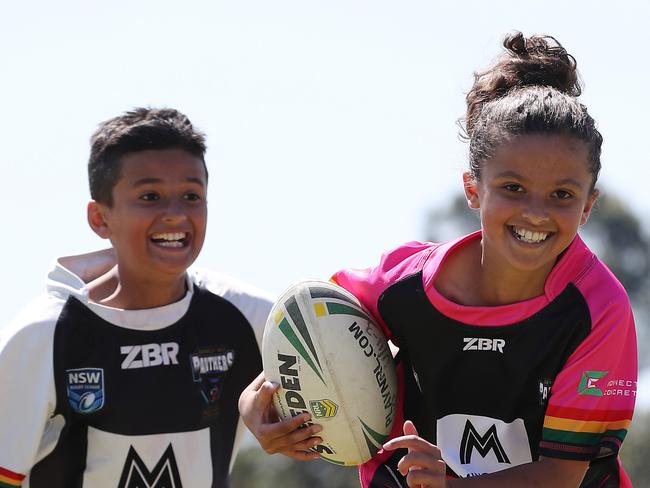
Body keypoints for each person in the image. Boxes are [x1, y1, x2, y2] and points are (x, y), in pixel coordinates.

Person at [239, 32, 637, 487]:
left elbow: (562, 475)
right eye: (513, 187)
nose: (535, 212)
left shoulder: (598, 308)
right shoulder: (399, 285)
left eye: (562, 195)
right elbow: (310, 339)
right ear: (473, 189)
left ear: (588, 205)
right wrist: (262, 408)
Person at [0, 107, 273, 487]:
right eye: (150, 196)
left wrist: (290, 431)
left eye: (192, 195)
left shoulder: (255, 318)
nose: (176, 214)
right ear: (100, 219)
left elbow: (339, 403)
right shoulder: (42, 336)